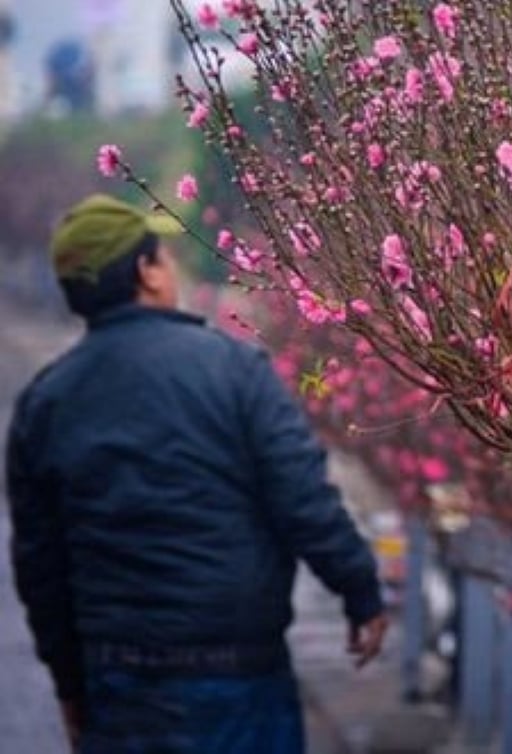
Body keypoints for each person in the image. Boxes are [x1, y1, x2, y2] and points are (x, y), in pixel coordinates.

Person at [6, 194, 388, 753]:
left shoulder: (45, 404)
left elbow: (40, 566)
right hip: (239, 675)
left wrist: (70, 685)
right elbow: (303, 498)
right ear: (146, 271)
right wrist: (360, 591)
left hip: (119, 684)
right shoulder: (234, 370)